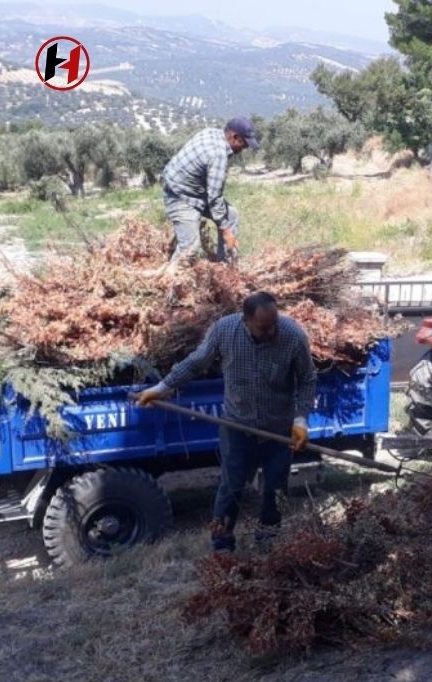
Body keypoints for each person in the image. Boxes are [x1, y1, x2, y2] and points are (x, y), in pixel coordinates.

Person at [135, 292, 316, 551]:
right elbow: (196, 363)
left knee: (275, 489)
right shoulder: (225, 331)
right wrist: (163, 387)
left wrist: (301, 420)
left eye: (274, 323)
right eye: (264, 327)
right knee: (230, 486)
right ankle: (222, 543)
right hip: (236, 426)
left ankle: (268, 541)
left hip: (279, 428)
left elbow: (307, 379)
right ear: (246, 321)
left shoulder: (291, 336)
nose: (272, 331)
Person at [160, 117, 259, 262]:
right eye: (244, 144)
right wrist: (225, 231)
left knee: (231, 215)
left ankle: (225, 268)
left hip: (193, 191)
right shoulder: (218, 154)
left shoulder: (212, 132)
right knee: (190, 249)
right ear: (235, 137)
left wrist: (224, 225)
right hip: (178, 196)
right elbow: (214, 197)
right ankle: (168, 281)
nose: (244, 149)